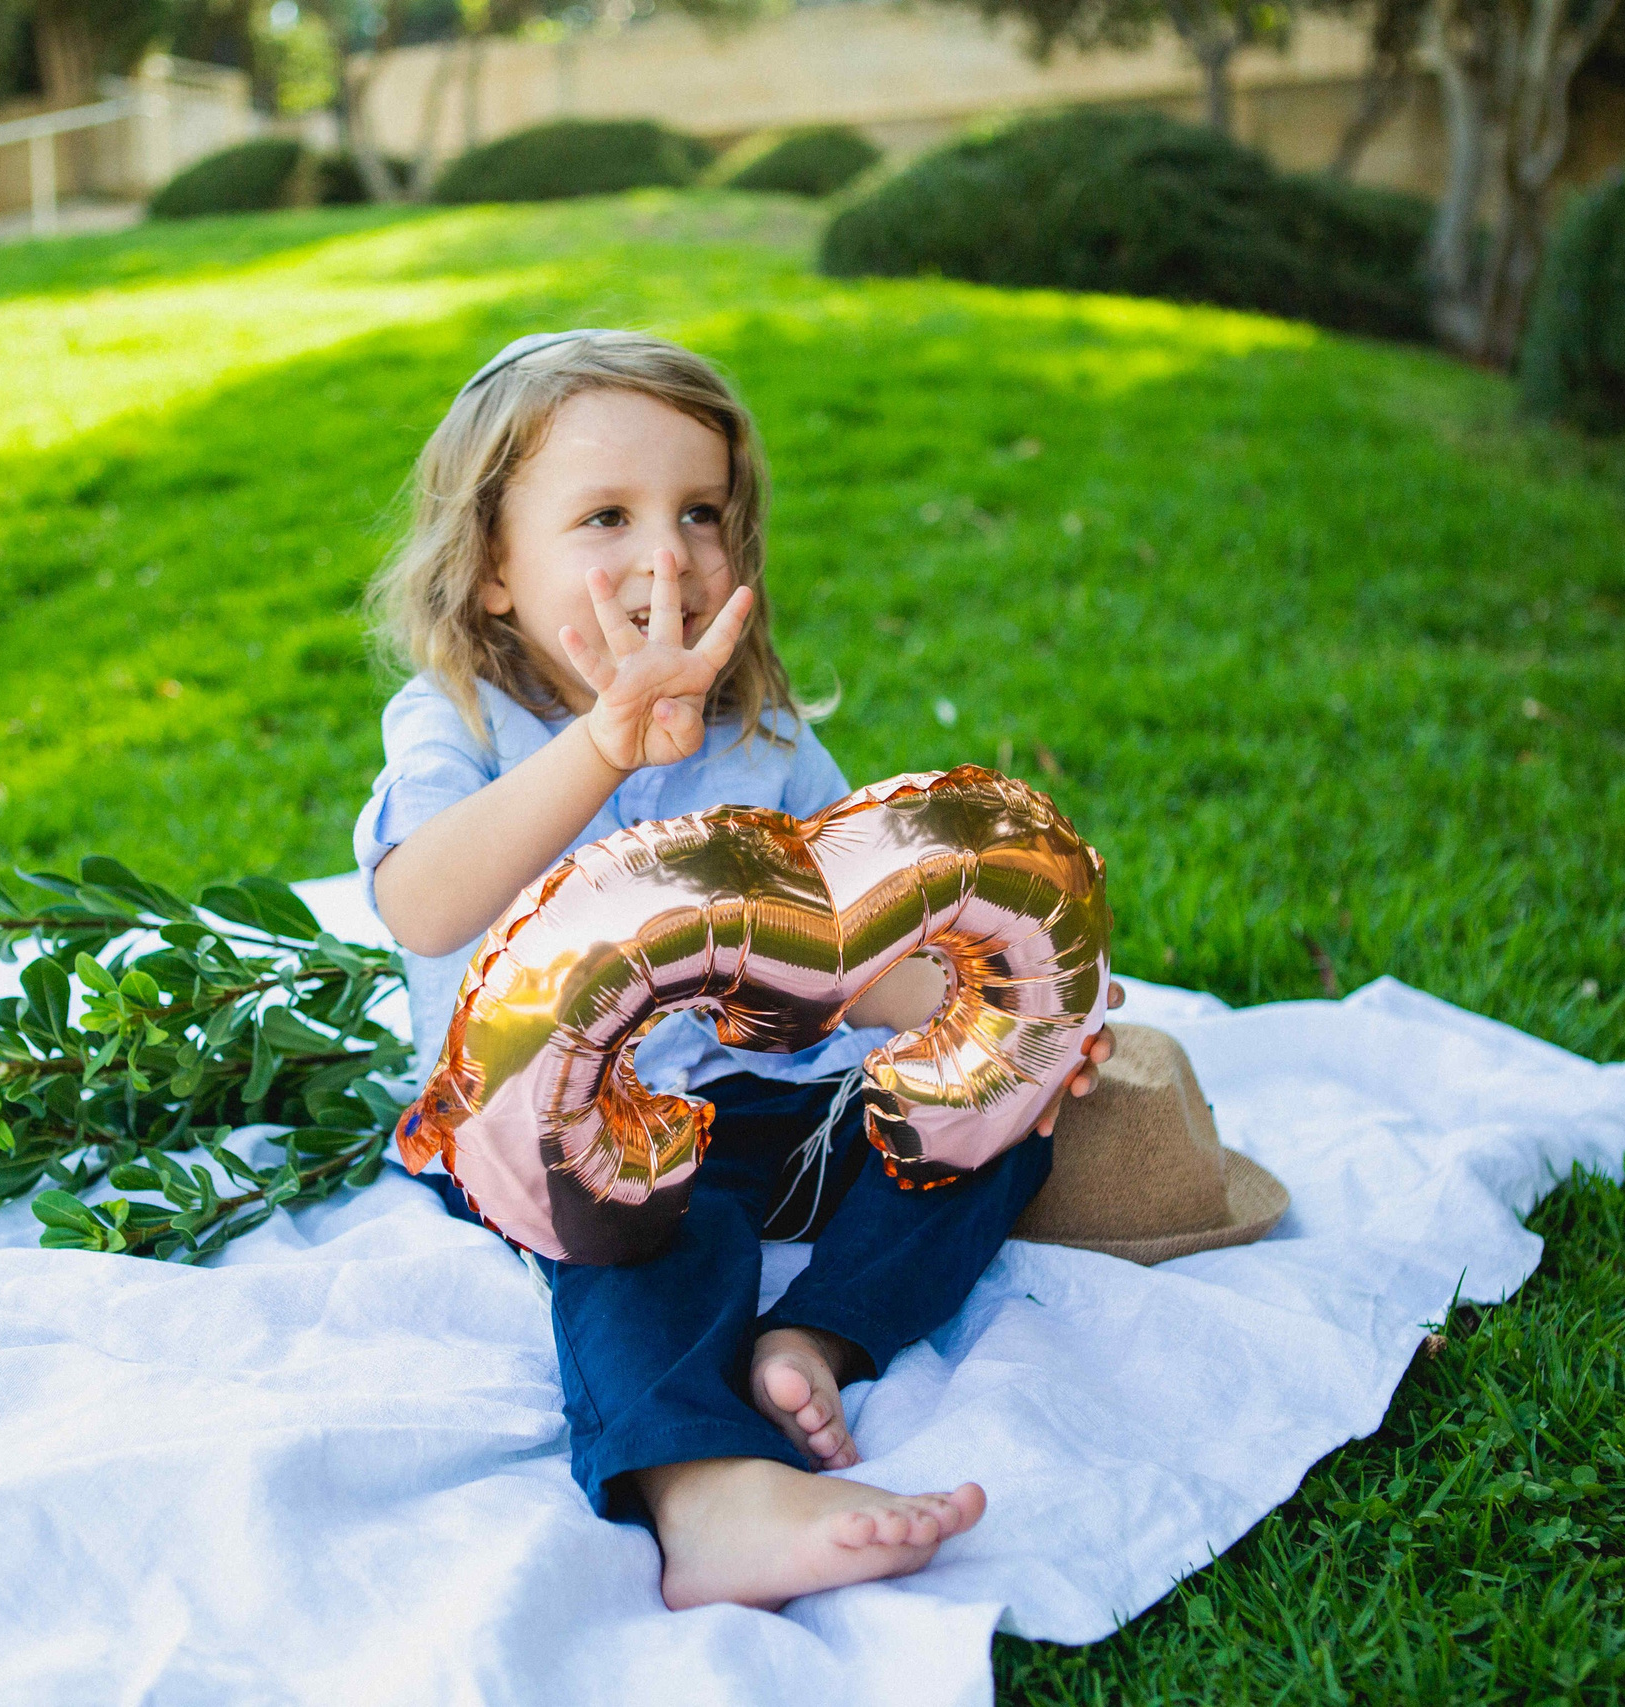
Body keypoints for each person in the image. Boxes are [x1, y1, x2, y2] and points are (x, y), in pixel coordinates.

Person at [355, 329, 1120, 1612]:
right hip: (565, 1133)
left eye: (700, 513)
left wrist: (1005, 1027)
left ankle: (813, 1338)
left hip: (779, 1100)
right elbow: (423, 907)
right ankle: (708, 1491)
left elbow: (859, 943)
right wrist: (601, 747)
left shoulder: (760, 739)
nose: (668, 557)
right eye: (606, 516)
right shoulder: (460, 721)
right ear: (489, 569)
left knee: (980, 1137)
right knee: (655, 1236)